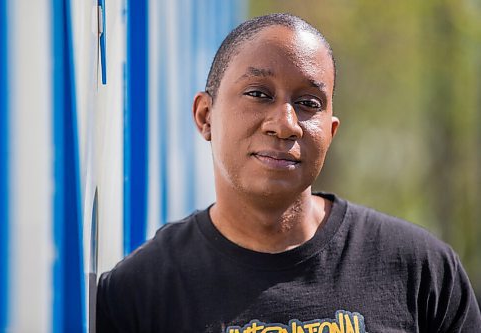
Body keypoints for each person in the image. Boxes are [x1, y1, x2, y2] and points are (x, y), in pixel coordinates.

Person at [96, 13, 481, 332]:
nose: (284, 124)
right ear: (205, 116)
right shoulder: (141, 293)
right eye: (259, 94)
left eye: (308, 102)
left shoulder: (421, 270)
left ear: (329, 133)